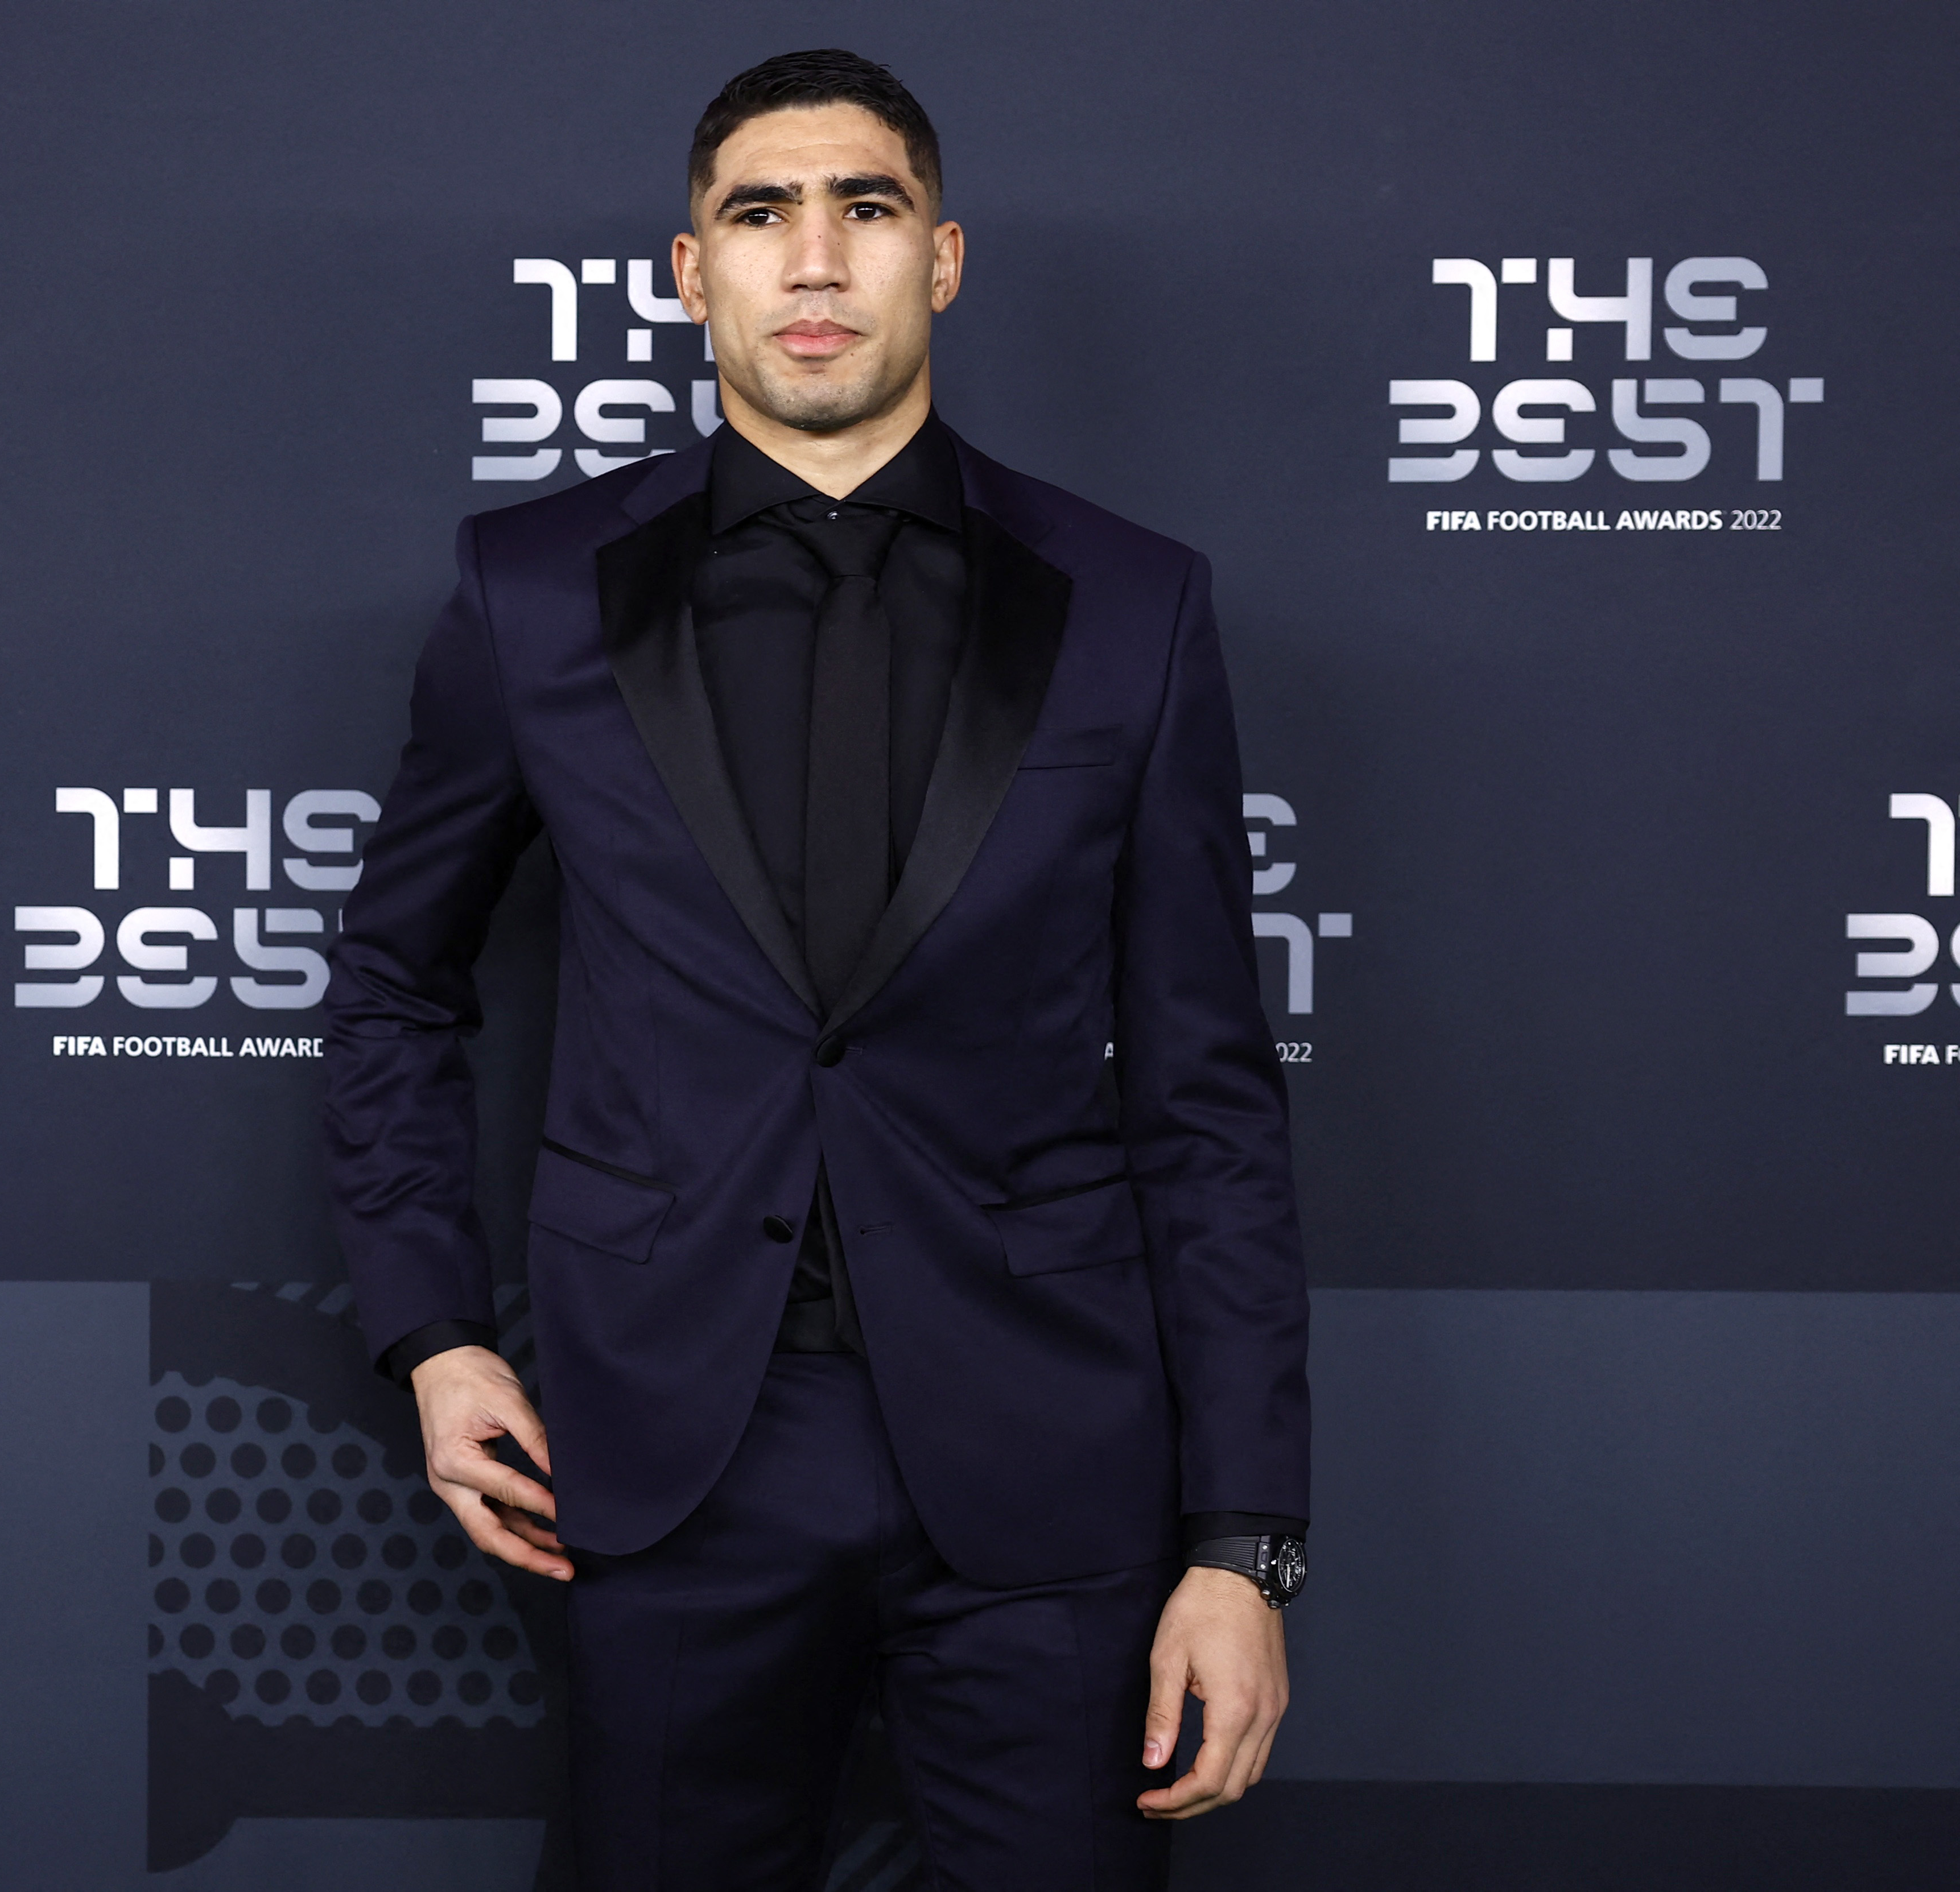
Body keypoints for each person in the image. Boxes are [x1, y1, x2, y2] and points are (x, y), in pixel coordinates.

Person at [323, 47, 1310, 1890]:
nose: (813, 259)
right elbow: (393, 985)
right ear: (688, 273)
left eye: (863, 209)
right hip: (669, 1446)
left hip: (1050, 1459)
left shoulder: (1131, 602)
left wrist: (1240, 1544)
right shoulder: (528, 592)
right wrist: (436, 1335)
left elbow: (1205, 1090)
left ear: (940, 260)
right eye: (757, 215)